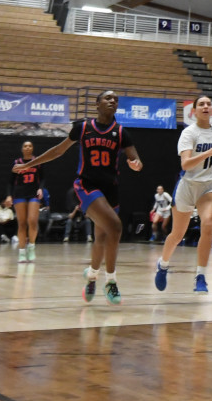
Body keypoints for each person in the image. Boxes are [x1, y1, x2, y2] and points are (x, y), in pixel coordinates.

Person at [16, 90, 142, 304]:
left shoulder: (121, 133)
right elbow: (57, 151)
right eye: (108, 98)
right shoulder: (83, 128)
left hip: (111, 189)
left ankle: (92, 277)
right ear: (97, 103)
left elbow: (136, 160)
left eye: (116, 100)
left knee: (102, 237)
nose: (112, 101)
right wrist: (28, 165)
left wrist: (136, 164)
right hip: (86, 185)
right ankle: (110, 281)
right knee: (116, 227)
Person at [154, 95, 212, 295]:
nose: (206, 106)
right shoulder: (189, 133)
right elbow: (185, 164)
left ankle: (201, 276)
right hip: (187, 185)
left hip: (209, 185)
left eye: (208, 104)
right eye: (201, 104)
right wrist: (209, 152)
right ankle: (163, 264)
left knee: (208, 224)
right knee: (177, 234)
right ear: (194, 111)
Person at [11, 141, 44, 263]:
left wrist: (41, 188)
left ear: (33, 148)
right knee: (22, 223)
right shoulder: (16, 163)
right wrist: (9, 195)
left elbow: (43, 177)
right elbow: (10, 181)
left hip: (33, 193)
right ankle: (21, 252)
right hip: (19, 194)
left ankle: (31, 246)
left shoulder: (38, 161)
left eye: (30, 145)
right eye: (25, 145)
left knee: (32, 221)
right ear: (22, 149)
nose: (28, 147)